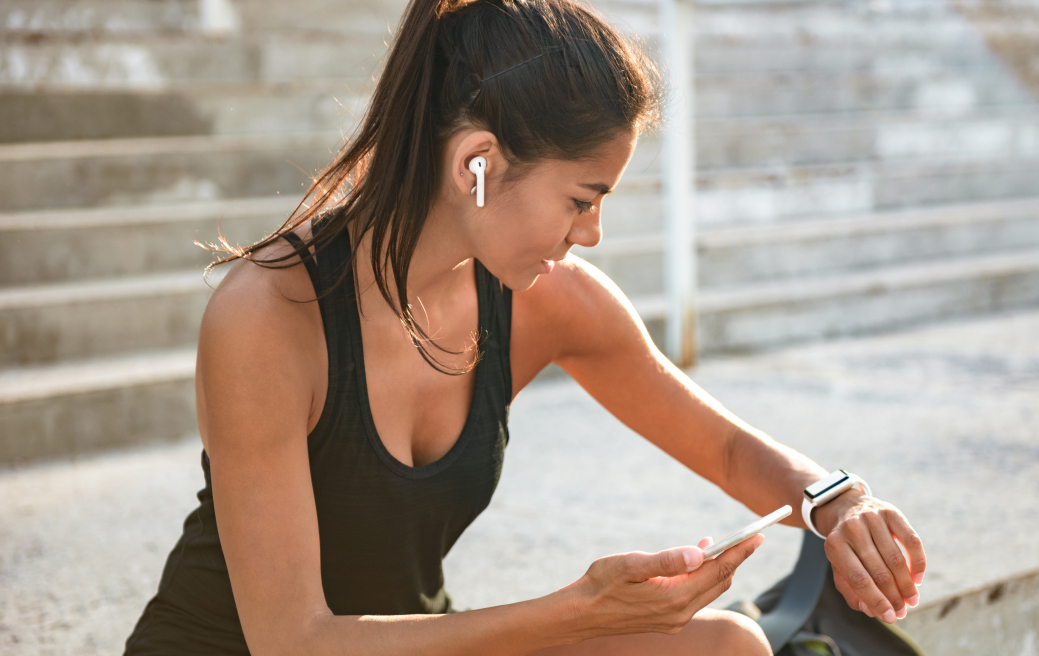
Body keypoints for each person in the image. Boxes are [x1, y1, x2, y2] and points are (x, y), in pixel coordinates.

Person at [125, 0, 926, 653]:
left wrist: (838, 503)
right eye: (582, 199)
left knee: (726, 648)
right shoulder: (269, 318)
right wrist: (578, 612)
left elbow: (723, 447)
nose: (593, 234)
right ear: (477, 164)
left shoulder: (549, 299)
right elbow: (293, 642)